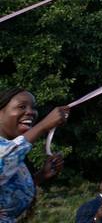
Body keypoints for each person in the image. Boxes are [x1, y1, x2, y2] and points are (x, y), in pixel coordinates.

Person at [0, 88, 69, 223]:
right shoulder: (9, 152)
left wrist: (40, 176)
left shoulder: (13, 153)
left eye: (33, 107)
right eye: (22, 106)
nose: (31, 112)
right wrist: (42, 126)